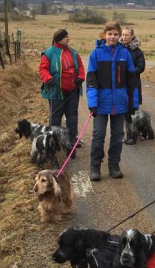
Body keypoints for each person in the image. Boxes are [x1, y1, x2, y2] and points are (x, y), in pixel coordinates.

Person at [86, 21, 137, 181]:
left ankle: (114, 165)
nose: (113, 37)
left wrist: (133, 102)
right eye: (110, 34)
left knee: (117, 135)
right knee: (98, 135)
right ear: (104, 35)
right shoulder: (96, 53)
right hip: (101, 103)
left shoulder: (125, 54)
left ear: (119, 35)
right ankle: (95, 166)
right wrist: (92, 102)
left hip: (120, 103)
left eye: (116, 34)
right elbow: (91, 80)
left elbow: (131, 80)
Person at [39, 29, 85, 157]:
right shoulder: (48, 53)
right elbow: (43, 69)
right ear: (58, 38)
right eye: (66, 37)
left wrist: (80, 77)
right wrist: (48, 78)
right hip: (56, 91)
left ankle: (71, 142)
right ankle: (54, 142)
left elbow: (80, 67)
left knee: (72, 116)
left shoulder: (73, 52)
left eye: (68, 36)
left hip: (73, 90)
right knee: (55, 118)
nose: (68, 39)